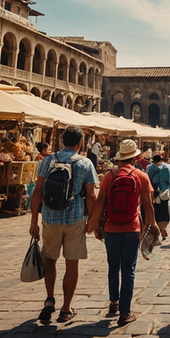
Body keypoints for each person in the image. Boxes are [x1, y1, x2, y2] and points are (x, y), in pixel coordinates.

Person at [86, 139, 158, 326]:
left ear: (119, 158)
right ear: (135, 158)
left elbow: (100, 202)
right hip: (132, 228)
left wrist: (96, 224)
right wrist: (153, 224)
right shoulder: (141, 176)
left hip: (111, 228)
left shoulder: (110, 175)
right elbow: (148, 204)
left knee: (113, 266)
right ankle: (125, 313)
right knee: (128, 270)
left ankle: (113, 303)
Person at [30, 126, 98, 324]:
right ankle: (66, 309)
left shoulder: (48, 160)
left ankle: (50, 300)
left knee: (50, 259)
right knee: (72, 263)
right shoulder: (85, 163)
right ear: (80, 143)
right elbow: (92, 195)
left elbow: (37, 191)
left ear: (62, 141)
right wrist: (92, 219)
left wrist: (34, 221)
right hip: (75, 218)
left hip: (50, 218)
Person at [146, 154, 170, 240]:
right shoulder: (166, 168)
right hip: (164, 192)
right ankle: (164, 228)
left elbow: (148, 179)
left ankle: (161, 229)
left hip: (155, 193)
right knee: (165, 212)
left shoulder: (150, 168)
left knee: (157, 212)